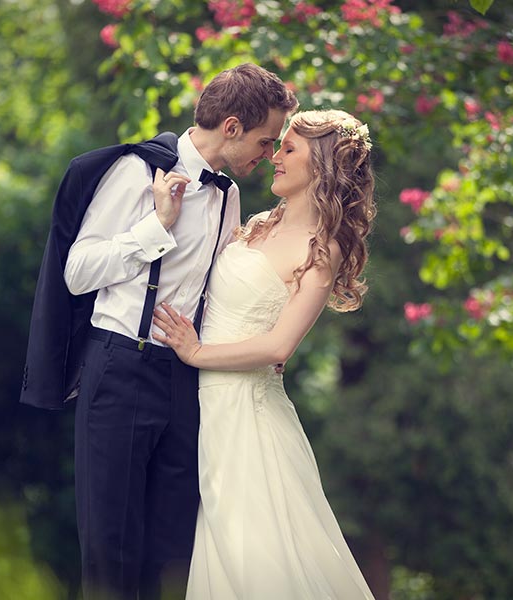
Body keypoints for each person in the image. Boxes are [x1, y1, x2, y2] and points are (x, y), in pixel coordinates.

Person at [61, 64, 298, 600]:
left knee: (174, 552)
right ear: (232, 127)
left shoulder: (229, 195)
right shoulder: (135, 170)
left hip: (186, 379)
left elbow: (214, 293)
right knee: (111, 546)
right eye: (265, 140)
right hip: (120, 367)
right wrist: (155, 227)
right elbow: (77, 271)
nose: (269, 153)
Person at [152, 109, 377, 599]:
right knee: (220, 555)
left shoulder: (323, 247)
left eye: (288, 149)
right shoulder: (254, 224)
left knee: (253, 559)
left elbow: (279, 345)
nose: (273, 157)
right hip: (206, 409)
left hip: (248, 418)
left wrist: (195, 352)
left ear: (320, 165)